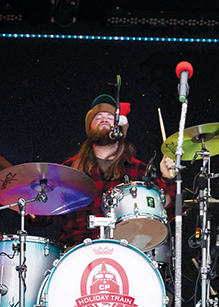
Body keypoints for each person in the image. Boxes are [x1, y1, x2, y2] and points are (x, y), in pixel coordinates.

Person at [36, 94, 177, 248]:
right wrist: (30, 204)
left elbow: (164, 212)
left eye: (110, 116)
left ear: (120, 128)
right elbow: (43, 217)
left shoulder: (141, 171)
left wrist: (168, 178)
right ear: (90, 128)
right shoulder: (67, 170)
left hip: (125, 252)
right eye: (98, 117)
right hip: (76, 253)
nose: (104, 119)